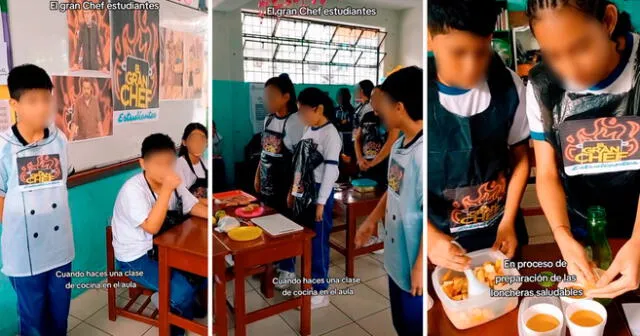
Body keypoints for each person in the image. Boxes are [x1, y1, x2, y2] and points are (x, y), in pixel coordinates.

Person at [525, 0, 640, 297]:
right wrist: (562, 236)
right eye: (553, 55)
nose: (569, 69)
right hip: (581, 225)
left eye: (580, 48)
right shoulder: (541, 85)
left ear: (608, 20)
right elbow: (547, 172)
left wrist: (638, 240)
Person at [426, 0, 531, 272]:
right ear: (429, 39)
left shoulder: (510, 85)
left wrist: (508, 221)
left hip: (499, 227)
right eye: (458, 52)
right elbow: (403, 180)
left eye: (482, 52)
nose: (471, 66)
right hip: (441, 236)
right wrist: (429, 238)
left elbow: (520, 158)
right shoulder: (418, 96)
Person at [0, 64, 75, 336]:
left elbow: (61, 183)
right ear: (15, 104)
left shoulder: (60, 140)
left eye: (46, 98)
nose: (42, 107)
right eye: (33, 100)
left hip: (60, 247)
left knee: (59, 317)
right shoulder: (3, 146)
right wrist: (17, 230)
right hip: (24, 252)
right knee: (32, 322)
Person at [111, 133, 207, 336]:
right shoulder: (132, 190)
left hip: (166, 247)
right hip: (136, 257)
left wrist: (217, 219)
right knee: (182, 291)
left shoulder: (174, 182)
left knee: (205, 272)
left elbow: (193, 206)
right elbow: (152, 227)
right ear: (143, 163)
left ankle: (179, 304)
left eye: (170, 163)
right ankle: (172, 309)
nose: (166, 170)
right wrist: (166, 189)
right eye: (159, 164)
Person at [355, 67, 424, 335]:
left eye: (382, 104)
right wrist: (371, 220)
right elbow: (392, 190)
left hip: (413, 259)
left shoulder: (421, 154)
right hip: (396, 257)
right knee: (400, 323)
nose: (377, 111)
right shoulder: (398, 145)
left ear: (399, 107)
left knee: (413, 325)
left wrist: (419, 264)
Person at [285, 87, 342, 309]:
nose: (301, 117)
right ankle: (309, 284)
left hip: (320, 193)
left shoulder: (331, 134)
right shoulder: (309, 129)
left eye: (303, 112)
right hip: (304, 190)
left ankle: (320, 291)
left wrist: (321, 202)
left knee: (318, 243)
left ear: (318, 109)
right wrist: (294, 190)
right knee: (305, 239)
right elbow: (300, 163)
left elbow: (330, 172)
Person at [254, 73, 304, 213]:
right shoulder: (268, 120)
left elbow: (301, 161)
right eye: (266, 97)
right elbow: (264, 152)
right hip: (266, 184)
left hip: (285, 186)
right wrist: (258, 176)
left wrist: (293, 191)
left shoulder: (295, 122)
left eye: (271, 97)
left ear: (286, 97)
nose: (266, 101)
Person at [176, 122, 208, 200]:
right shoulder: (178, 165)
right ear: (184, 142)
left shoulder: (206, 163)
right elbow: (184, 199)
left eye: (202, 139)